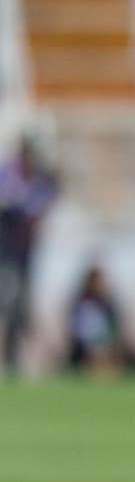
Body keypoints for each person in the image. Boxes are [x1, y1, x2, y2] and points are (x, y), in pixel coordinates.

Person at [0, 136, 59, 377]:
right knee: (9, 303)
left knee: (20, 306)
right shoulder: (8, 174)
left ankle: (15, 357)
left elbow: (43, 205)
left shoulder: (39, 180)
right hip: (6, 251)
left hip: (24, 253)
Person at [66, 263, 126, 376]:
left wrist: (109, 343)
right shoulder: (81, 302)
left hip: (105, 344)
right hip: (85, 346)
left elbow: (115, 328)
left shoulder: (108, 303)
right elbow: (76, 328)